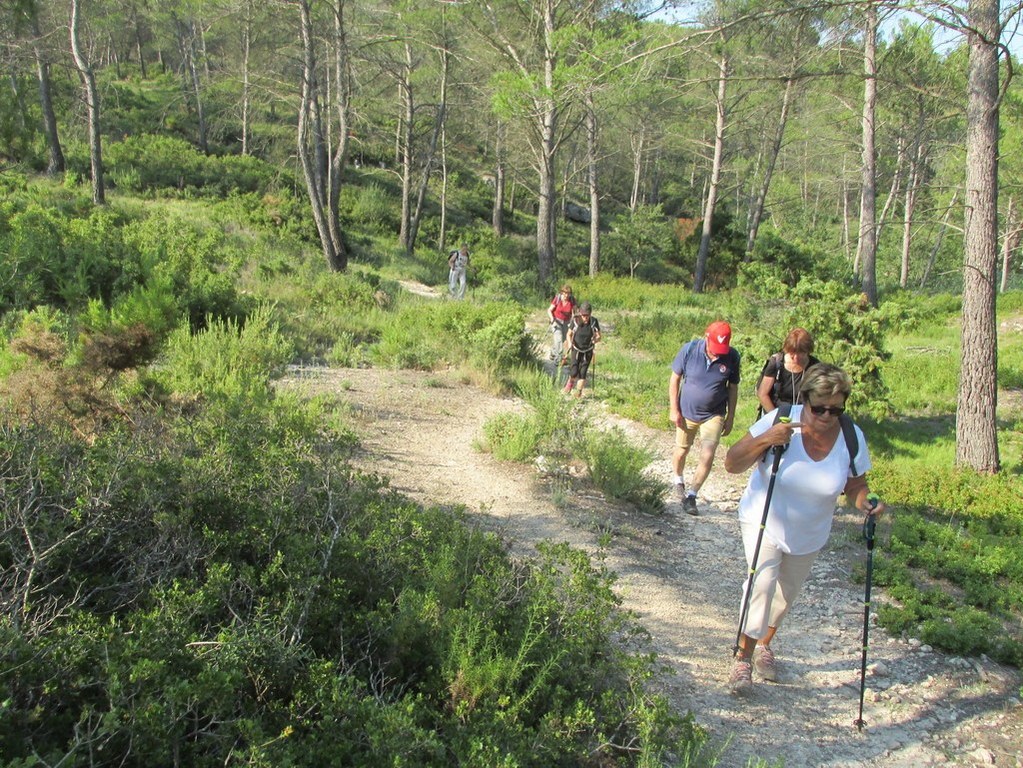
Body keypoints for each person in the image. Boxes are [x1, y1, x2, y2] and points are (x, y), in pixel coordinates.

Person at [722, 364, 887, 693]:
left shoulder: (851, 437)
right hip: (764, 517)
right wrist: (768, 438)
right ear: (806, 399)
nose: (827, 416)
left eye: (835, 408)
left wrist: (865, 503)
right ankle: (743, 657)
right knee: (762, 584)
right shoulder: (780, 419)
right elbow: (732, 462)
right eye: (819, 408)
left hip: (810, 531)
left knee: (785, 596)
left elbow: (855, 485)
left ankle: (764, 643)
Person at [668, 321, 740, 516]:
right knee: (681, 451)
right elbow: (675, 378)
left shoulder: (732, 356)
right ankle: (678, 480)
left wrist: (731, 416)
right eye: (715, 348)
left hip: (714, 414)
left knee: (708, 453)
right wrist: (674, 409)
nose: (718, 353)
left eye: (721, 349)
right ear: (706, 337)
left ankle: (692, 495)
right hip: (687, 411)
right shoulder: (690, 350)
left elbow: (733, 388)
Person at [756, 327, 820, 415]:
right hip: (775, 413)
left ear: (808, 351)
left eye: (801, 353)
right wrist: (775, 417)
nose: (796, 357)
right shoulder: (776, 363)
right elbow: (762, 394)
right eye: (792, 353)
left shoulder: (816, 367)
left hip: (804, 417)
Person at [563, 301, 601, 397]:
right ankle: (569, 385)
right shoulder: (575, 320)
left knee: (583, 372)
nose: (585, 317)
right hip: (576, 348)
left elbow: (599, 336)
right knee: (574, 371)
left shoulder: (593, 322)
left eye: (587, 315)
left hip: (588, 350)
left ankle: (578, 393)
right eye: (583, 315)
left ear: (590, 314)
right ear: (580, 313)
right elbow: (569, 334)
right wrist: (570, 342)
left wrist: (595, 340)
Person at [547, 284, 576, 361]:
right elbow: (549, 310)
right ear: (562, 293)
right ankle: (558, 359)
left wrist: (573, 322)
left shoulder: (572, 300)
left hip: (566, 322)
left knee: (562, 340)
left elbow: (574, 312)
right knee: (559, 339)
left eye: (568, 293)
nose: (566, 295)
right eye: (565, 293)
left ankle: (553, 352)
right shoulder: (558, 298)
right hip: (556, 321)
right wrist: (552, 319)